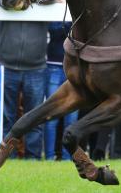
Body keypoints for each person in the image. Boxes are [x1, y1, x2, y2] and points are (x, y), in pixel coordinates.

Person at [0, 0, 50, 159]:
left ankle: (32, 158)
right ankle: (6, 157)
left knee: (34, 118)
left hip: (36, 68)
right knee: (7, 117)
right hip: (8, 66)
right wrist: (18, 1)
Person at [44, 20, 78, 161]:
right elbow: (54, 30)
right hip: (54, 67)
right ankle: (50, 156)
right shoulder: (54, 5)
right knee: (51, 116)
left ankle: (67, 157)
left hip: (75, 69)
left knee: (72, 118)